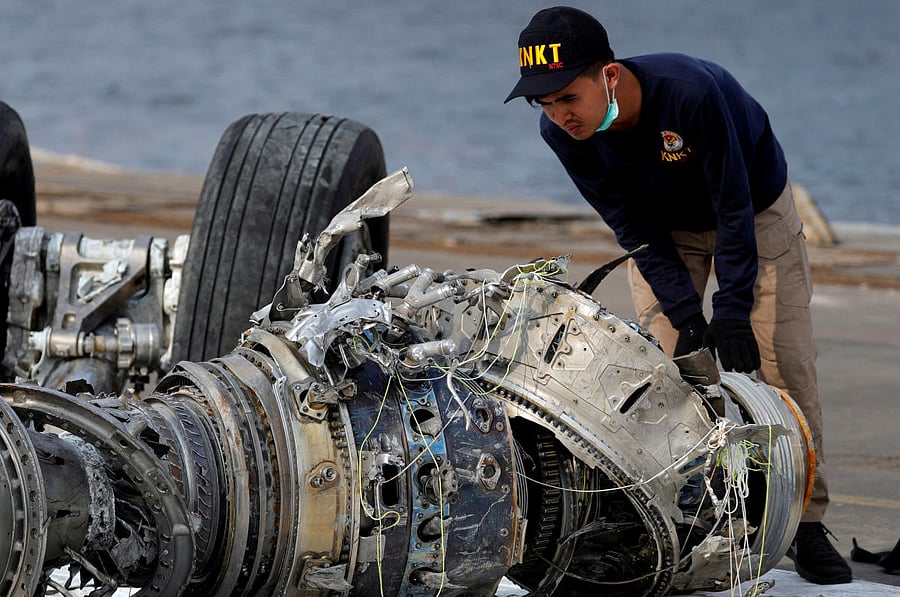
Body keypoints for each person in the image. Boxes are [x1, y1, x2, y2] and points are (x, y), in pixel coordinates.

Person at [504, 6, 851, 586]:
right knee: (667, 376)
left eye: (569, 96)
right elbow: (631, 226)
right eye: (545, 102)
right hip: (663, 230)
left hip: (752, 211)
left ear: (607, 75)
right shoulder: (563, 135)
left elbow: (734, 206)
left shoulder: (690, 94)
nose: (560, 115)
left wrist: (732, 309)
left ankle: (805, 523)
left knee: (781, 367)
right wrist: (689, 318)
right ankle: (699, 515)